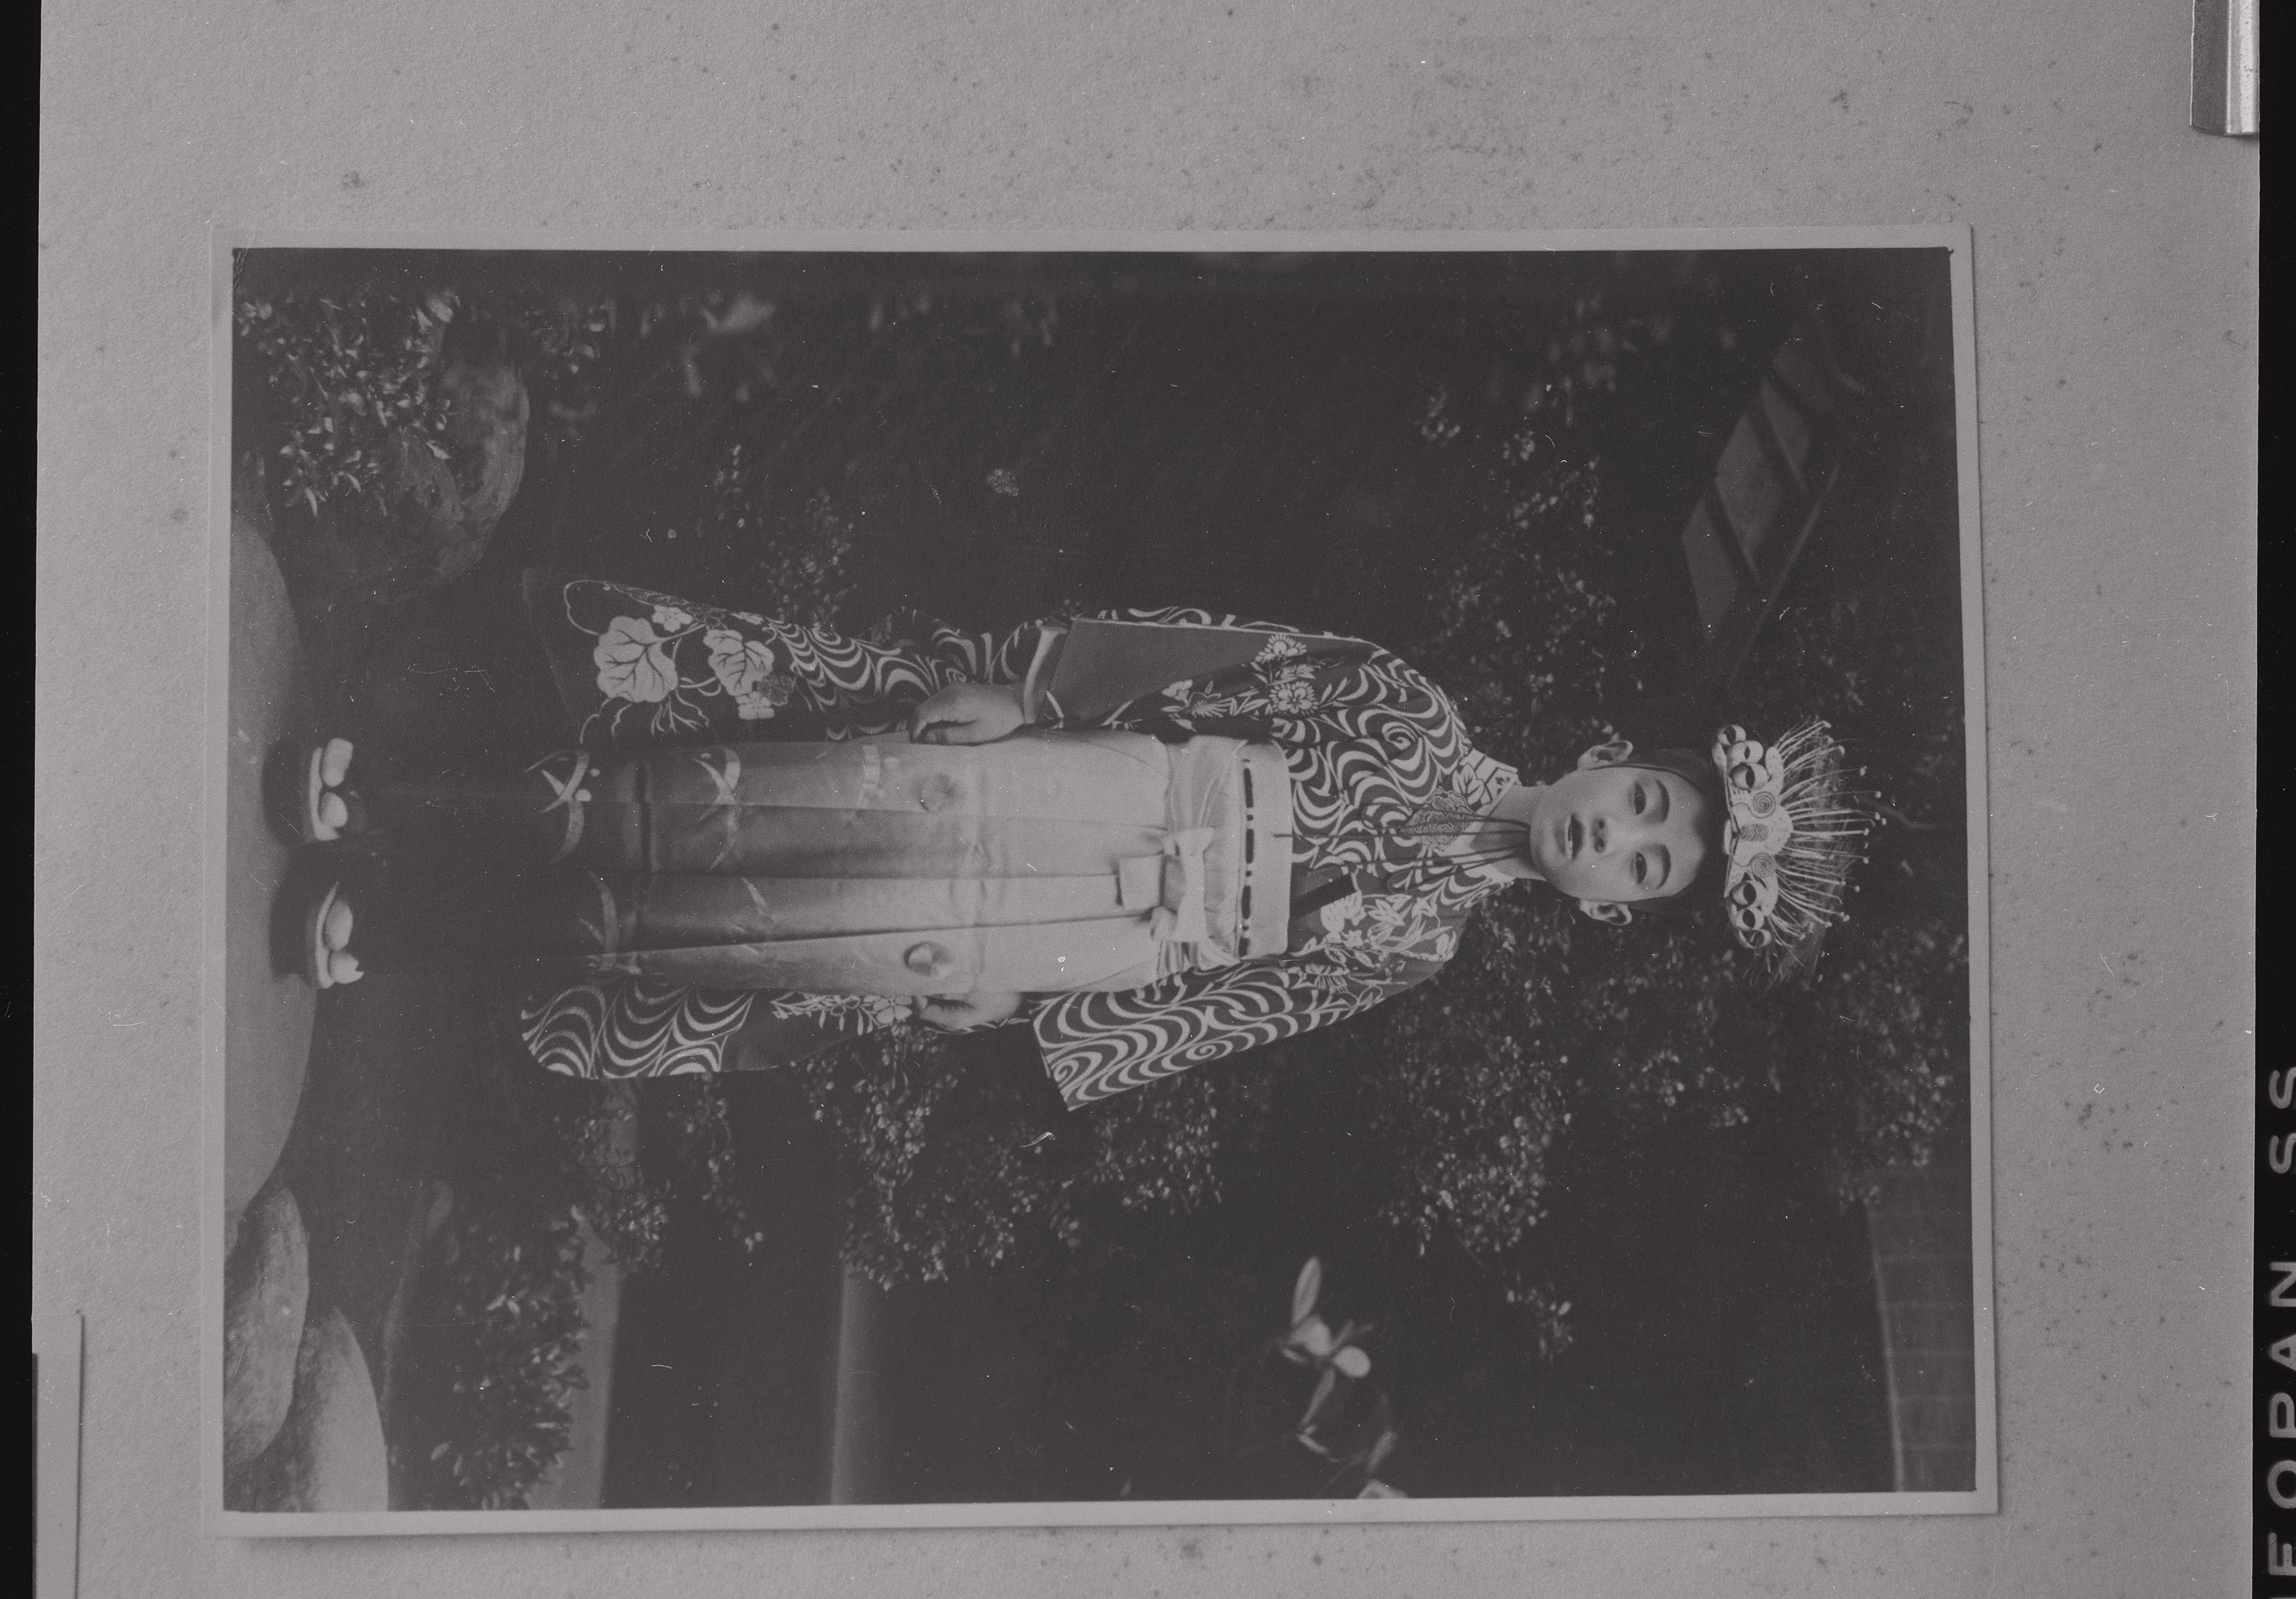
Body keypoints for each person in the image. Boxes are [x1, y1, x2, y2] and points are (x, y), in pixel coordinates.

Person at [277, 570, 1872, 1111]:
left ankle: (394, 933)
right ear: (1609, 757)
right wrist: (1028, 693)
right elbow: (1205, 656)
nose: (1621, 833)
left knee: (734, 935)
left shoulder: (1420, 946)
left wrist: (1017, 1010)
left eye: (1650, 862)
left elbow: (1223, 1010)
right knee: (730, 801)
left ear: (1614, 907)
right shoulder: (1406, 704)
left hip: (1080, 940)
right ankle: (388, 807)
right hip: (1076, 789)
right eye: (1646, 799)